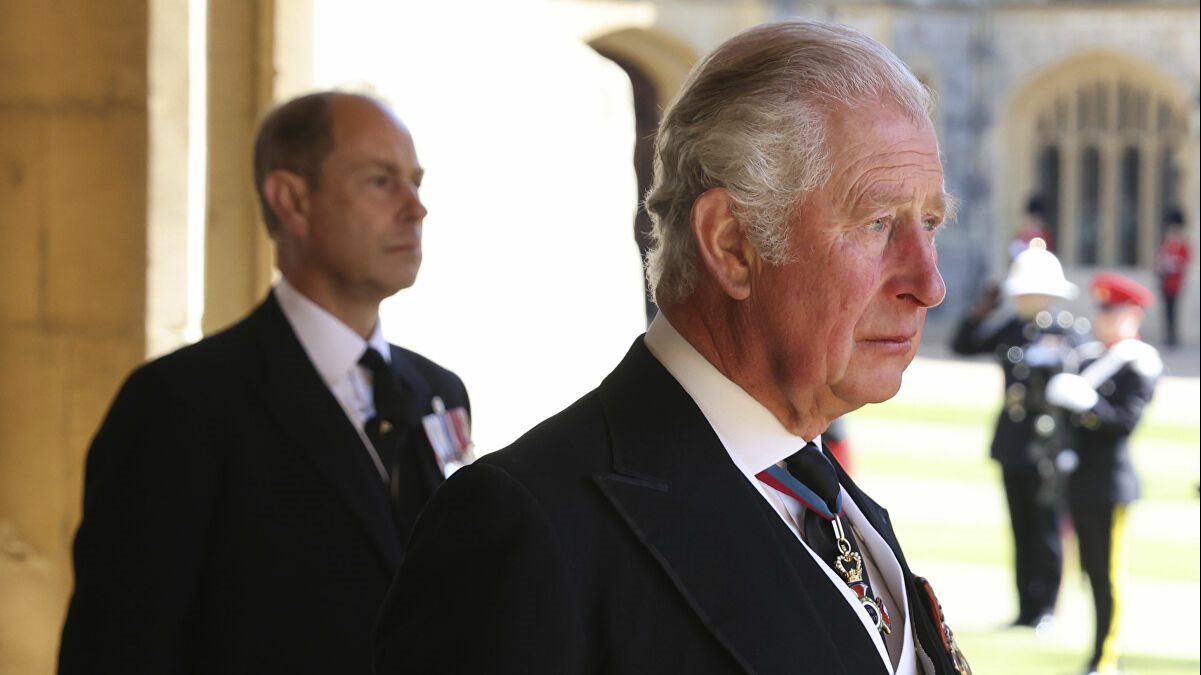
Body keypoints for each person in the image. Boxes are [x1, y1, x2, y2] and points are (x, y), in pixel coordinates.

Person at [375, 20, 969, 675]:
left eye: (930, 224)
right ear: (732, 243)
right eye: (877, 222)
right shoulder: (528, 528)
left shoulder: (830, 500)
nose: (929, 284)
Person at [58, 92, 470, 674]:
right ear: (292, 201)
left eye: (416, 181)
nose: (416, 208)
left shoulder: (438, 391)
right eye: (381, 181)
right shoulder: (180, 403)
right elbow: (118, 648)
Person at [950, 239, 1086, 633]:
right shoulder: (1012, 328)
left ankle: (1046, 608)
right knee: (1021, 527)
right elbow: (964, 345)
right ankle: (1025, 607)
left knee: (1046, 529)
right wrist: (981, 310)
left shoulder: (1066, 332)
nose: (1022, 299)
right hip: (1013, 440)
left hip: (1047, 444)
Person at [1045, 273, 1161, 675]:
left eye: (1113, 312)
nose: (1104, 319)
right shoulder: (1089, 358)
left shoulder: (1138, 363)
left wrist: (1089, 405)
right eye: (1102, 312)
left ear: (1133, 315)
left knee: (1106, 575)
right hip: (1078, 479)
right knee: (1087, 572)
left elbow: (1123, 423)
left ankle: (1105, 656)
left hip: (1109, 483)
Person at [1154, 208, 1190, 348]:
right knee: (1166, 310)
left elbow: (1183, 262)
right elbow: (1159, 259)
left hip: (1175, 282)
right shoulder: (1166, 243)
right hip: (1165, 281)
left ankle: (1173, 336)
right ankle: (1168, 335)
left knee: (1174, 310)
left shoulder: (1182, 245)